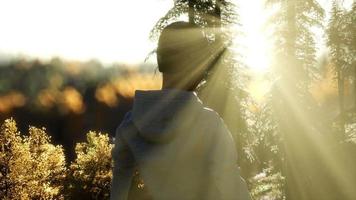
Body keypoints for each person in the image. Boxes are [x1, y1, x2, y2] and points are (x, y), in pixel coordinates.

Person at [110, 21, 251, 200]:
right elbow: (233, 191)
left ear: (160, 61)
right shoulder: (210, 126)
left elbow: (119, 190)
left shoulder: (130, 125)